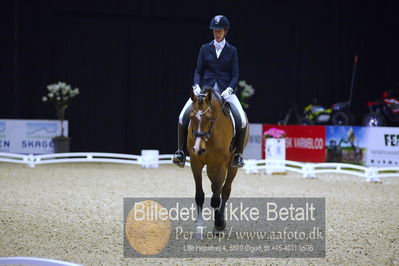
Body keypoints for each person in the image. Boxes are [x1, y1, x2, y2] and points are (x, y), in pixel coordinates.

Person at [173, 15, 248, 168]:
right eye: (214, 31)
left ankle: (238, 155)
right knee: (182, 116)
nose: (217, 33)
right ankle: (180, 152)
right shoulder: (204, 48)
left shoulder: (232, 50)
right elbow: (198, 70)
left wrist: (229, 89)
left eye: (219, 31)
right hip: (204, 92)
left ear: (225, 31)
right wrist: (196, 85)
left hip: (225, 92)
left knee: (242, 120)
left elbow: (235, 74)